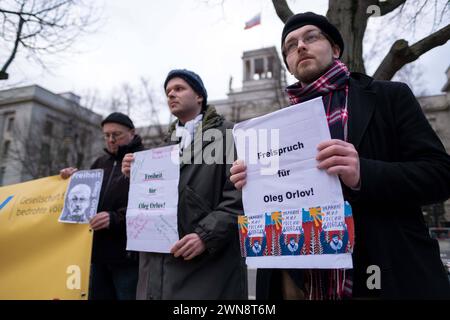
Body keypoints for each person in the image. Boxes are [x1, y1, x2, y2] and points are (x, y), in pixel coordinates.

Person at [229, 12, 450, 299]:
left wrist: (363, 174)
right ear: (289, 66)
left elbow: (440, 175)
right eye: (290, 45)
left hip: (382, 275)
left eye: (311, 37)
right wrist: (253, 185)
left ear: (335, 49)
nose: (300, 47)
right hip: (301, 282)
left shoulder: (388, 97)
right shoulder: (273, 125)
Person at [122, 69, 247, 300]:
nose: (171, 95)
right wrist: (136, 177)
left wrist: (205, 236)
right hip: (158, 271)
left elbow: (240, 199)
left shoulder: (229, 134)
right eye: (168, 92)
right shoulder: (160, 147)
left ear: (199, 96)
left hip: (208, 269)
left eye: (179, 89)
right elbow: (152, 204)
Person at [60, 112, 144, 300]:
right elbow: (86, 200)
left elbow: (152, 206)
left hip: (128, 258)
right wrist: (71, 181)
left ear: (132, 132)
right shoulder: (99, 162)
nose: (111, 140)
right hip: (97, 255)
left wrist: (115, 219)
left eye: (117, 135)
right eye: (106, 135)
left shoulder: (145, 159)